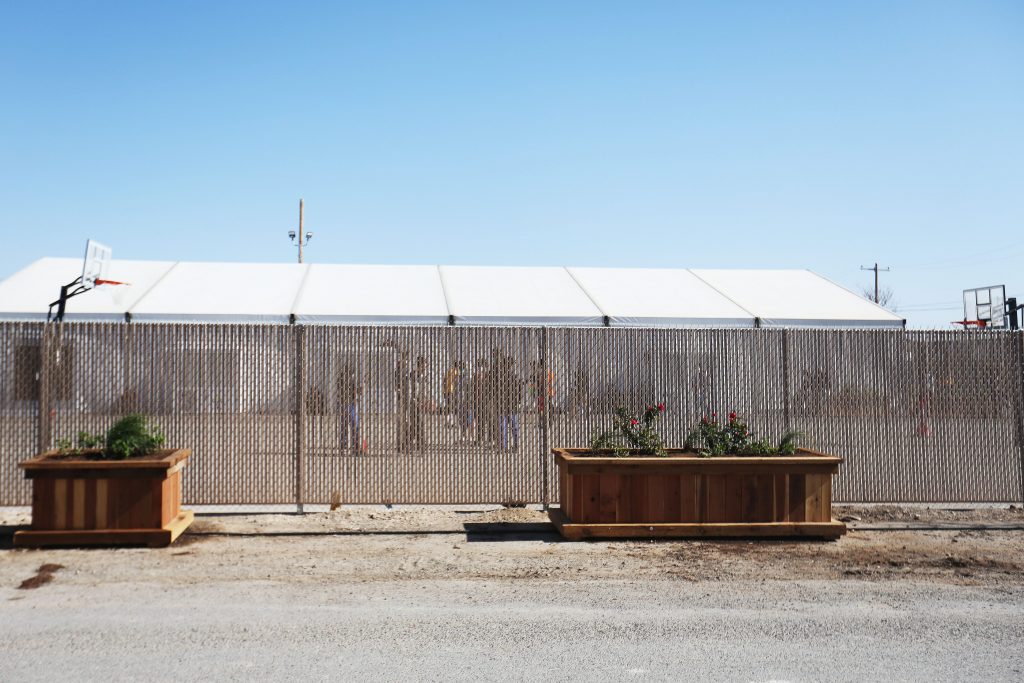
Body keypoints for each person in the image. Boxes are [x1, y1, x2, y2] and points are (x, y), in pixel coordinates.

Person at [337, 363, 363, 454]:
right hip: (349, 405)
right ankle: (353, 447)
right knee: (353, 426)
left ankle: (346, 446)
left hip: (345, 404)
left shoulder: (342, 380)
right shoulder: (347, 380)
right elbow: (355, 391)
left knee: (345, 427)